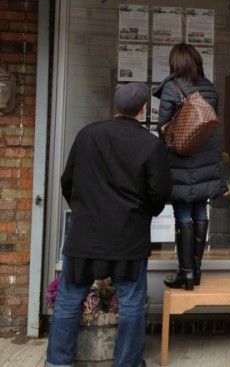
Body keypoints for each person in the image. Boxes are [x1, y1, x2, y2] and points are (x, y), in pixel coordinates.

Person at [45, 83, 172, 367]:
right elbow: (160, 192)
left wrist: (83, 209)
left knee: (69, 299)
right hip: (128, 237)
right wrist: (144, 213)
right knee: (130, 304)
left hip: (85, 235)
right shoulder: (150, 144)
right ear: (143, 110)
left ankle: (57, 362)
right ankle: (126, 363)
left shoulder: (87, 135)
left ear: (115, 107)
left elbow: (68, 181)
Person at [153, 43, 224, 290]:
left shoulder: (172, 89)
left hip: (181, 162)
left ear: (176, 64)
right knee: (200, 211)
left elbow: (162, 129)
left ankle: (186, 273)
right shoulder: (211, 89)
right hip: (205, 162)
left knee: (182, 214)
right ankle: (197, 269)